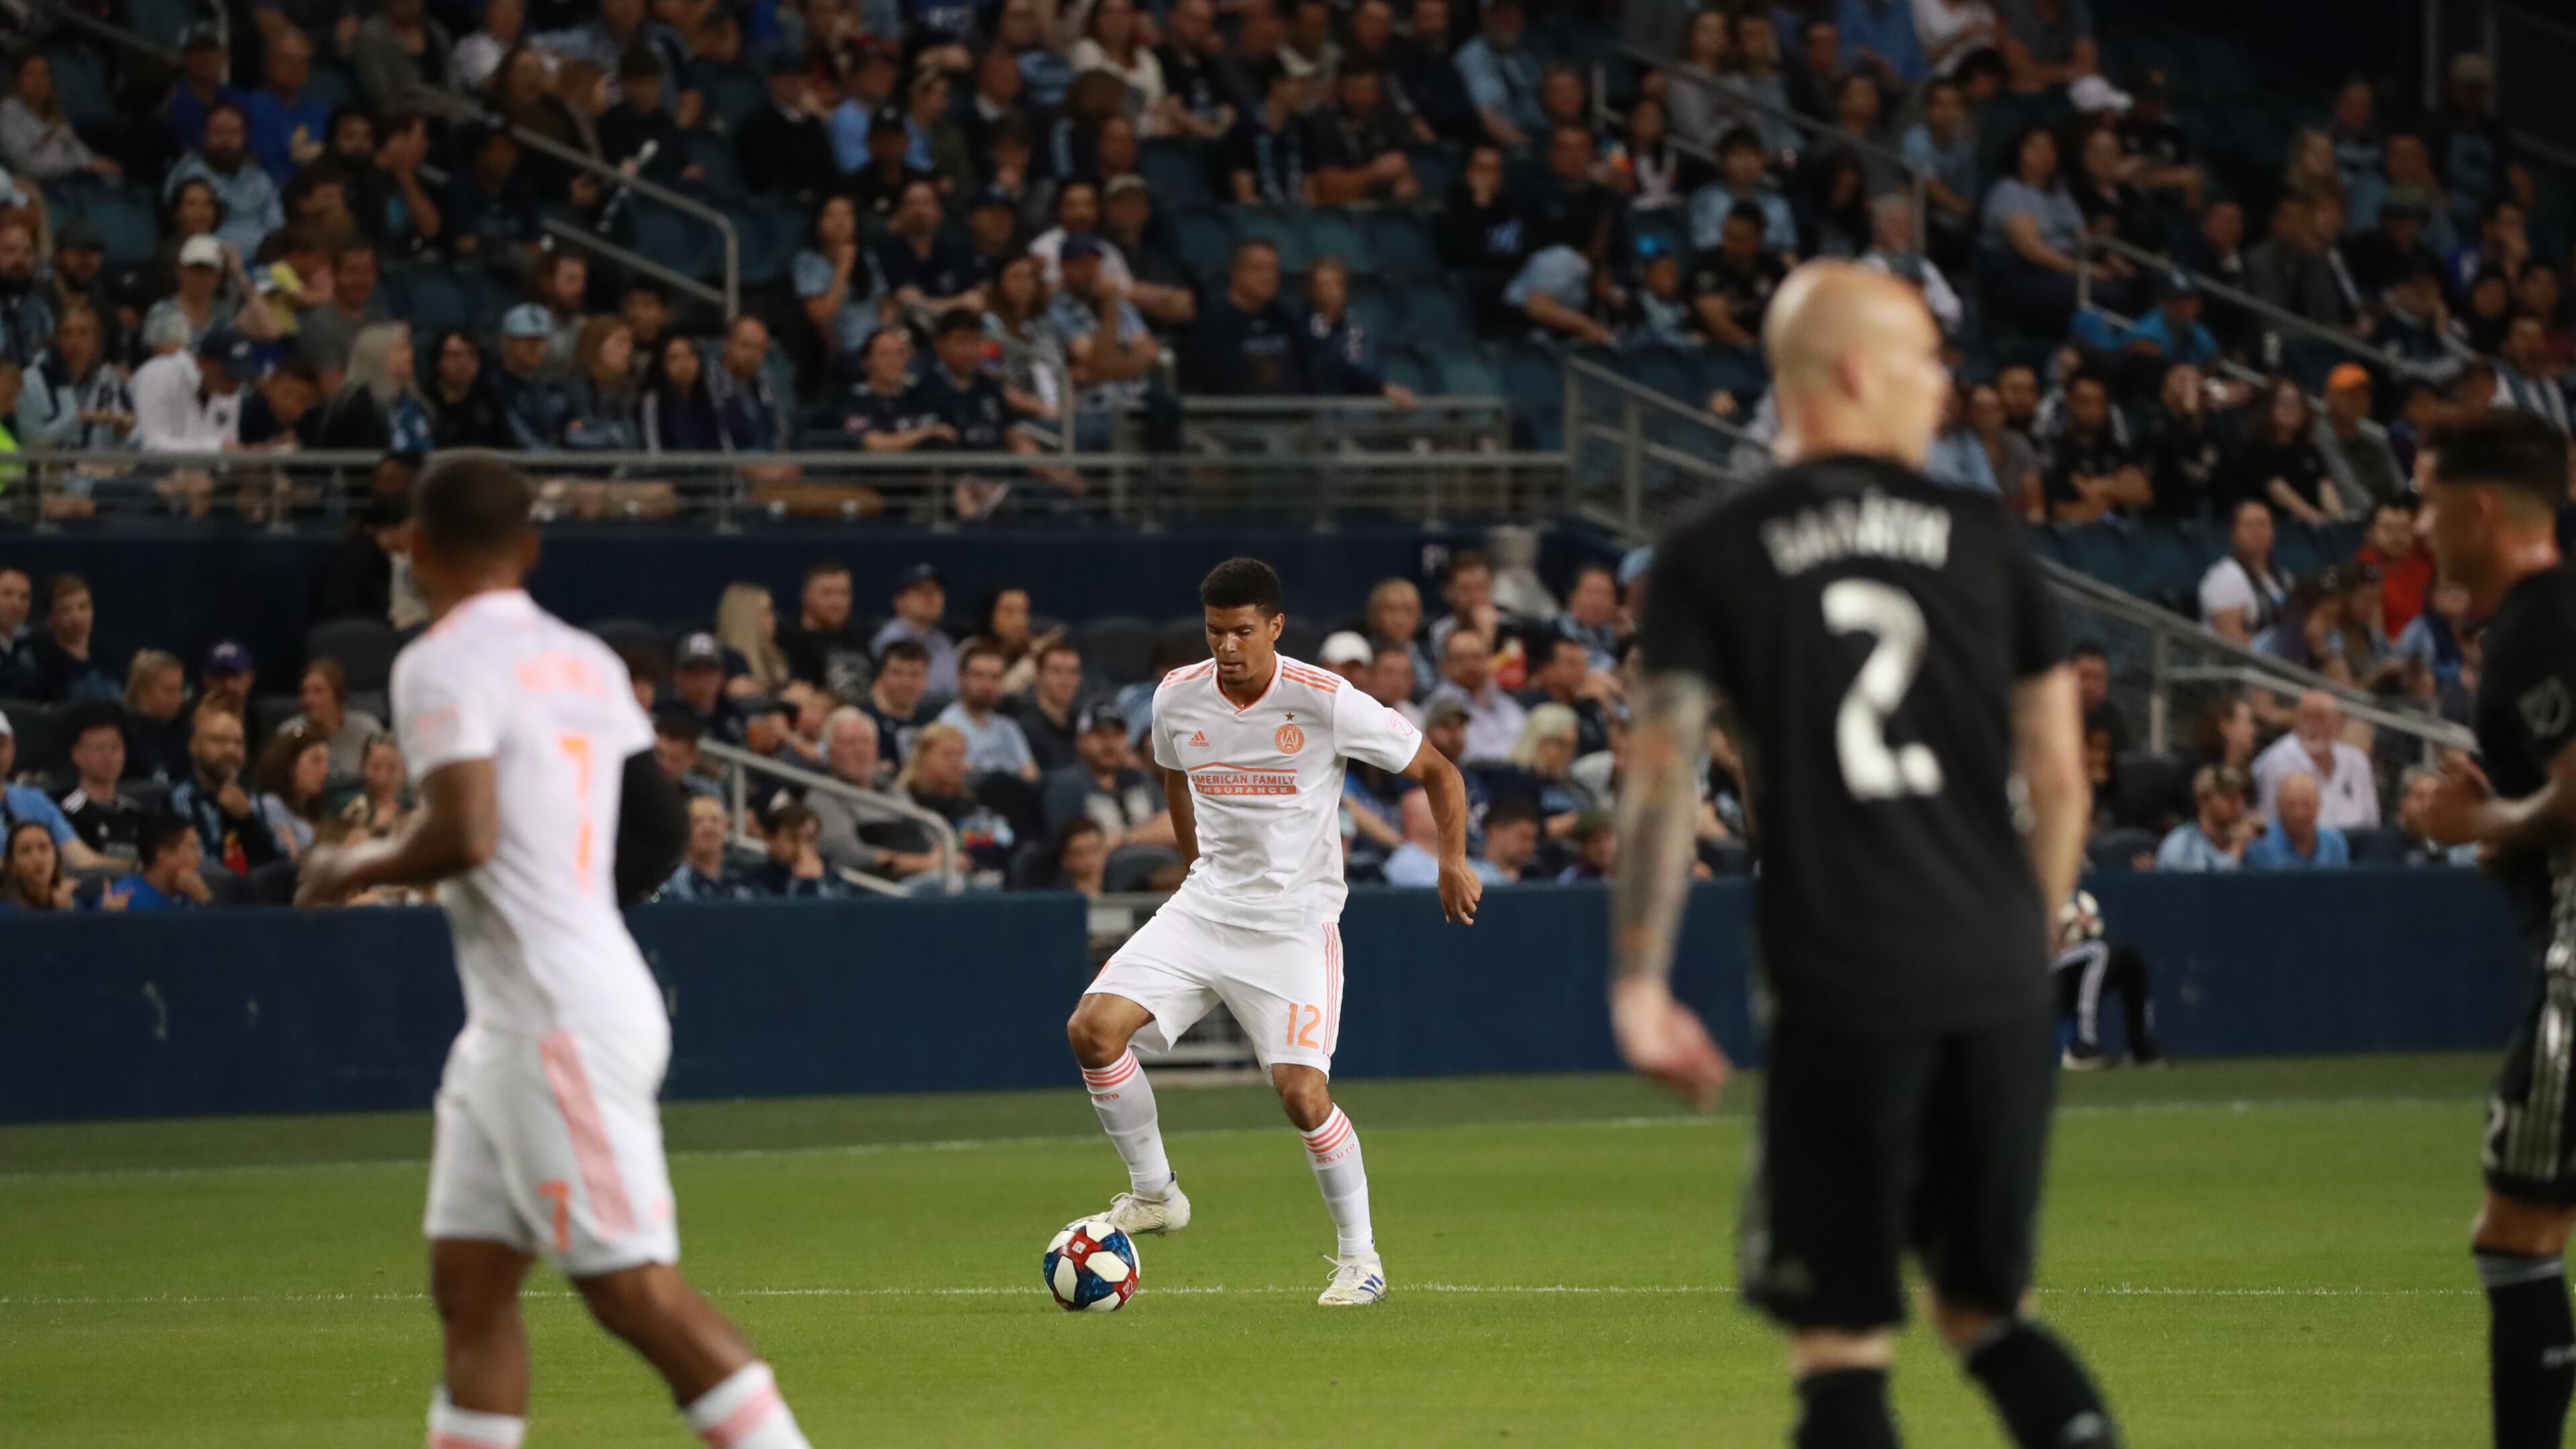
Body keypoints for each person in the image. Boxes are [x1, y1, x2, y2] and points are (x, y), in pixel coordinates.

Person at [1610, 262, 2121, 1448]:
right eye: (1924, 362)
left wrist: (1639, 986)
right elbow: (2059, 777)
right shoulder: (1986, 537)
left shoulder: (1713, 549)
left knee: (1841, 1346)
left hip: (1843, 973)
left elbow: (1661, 775)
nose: (1945, 389)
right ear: (1850, 370)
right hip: (1995, 974)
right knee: (1988, 1313)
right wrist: (2025, 938)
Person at [292, 454, 815, 1449]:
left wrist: (349, 863)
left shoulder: (435, 661)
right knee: (470, 1287)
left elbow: (466, 831)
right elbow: (658, 826)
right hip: (525, 1017)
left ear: (416, 547)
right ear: (530, 548)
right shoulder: (588, 660)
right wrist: (572, 909)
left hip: (556, 1020)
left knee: (634, 1294)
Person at [1064, 557, 1477, 1308]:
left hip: (1293, 925)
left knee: (1302, 1096)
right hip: (1205, 908)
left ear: (1276, 627)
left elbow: (1439, 771)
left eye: (1242, 631)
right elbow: (1175, 776)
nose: (1227, 646)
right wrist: (1195, 866)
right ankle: (1155, 1193)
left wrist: (1452, 860)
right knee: (1092, 1031)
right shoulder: (1177, 695)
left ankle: (1361, 1260)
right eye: (1215, 632)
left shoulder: (1325, 700)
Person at [2049, 894, 2163, 1069]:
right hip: (2043, 973)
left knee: (2129, 958)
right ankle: (2084, 1043)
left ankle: (2140, 1046)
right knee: (2099, 951)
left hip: (2069, 974)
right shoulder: (2045, 906)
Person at [2251, 688, 2381, 830]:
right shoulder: (2275, 761)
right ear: (2296, 719)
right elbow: (2267, 820)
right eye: (2307, 717)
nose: (2314, 726)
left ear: (2338, 723)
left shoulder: (2357, 760)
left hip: (2356, 839)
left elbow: (2372, 819)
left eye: (2322, 718)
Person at [54, 704, 148, 867]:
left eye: (115, 748)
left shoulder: (138, 814)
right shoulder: (65, 812)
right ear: (77, 755)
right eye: (98, 749)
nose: (108, 757)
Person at [936, 641, 1040, 782]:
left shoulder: (1009, 726)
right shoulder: (948, 727)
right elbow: (962, 779)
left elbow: (1031, 775)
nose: (987, 686)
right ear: (962, 678)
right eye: (978, 676)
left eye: (995, 677)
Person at [2198, 500, 2290, 645]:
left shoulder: (2283, 577)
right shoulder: (2224, 579)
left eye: (2263, 524)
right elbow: (2233, 644)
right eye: (2249, 525)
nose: (2257, 533)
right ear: (2233, 533)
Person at [289, 658, 388, 777]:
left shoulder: (367, 730)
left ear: (338, 695)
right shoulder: (291, 734)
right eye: (304, 692)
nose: (309, 700)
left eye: (318, 691)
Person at [872, 565, 960, 697]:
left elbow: (954, 688)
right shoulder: (889, 641)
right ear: (899, 601)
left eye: (936, 591)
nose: (930, 597)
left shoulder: (943, 641)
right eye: (920, 591)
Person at [2155, 763, 2254, 871]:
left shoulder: (2250, 842)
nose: (2237, 803)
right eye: (2228, 795)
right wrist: (2235, 853)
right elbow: (2206, 882)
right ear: (2203, 800)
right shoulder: (2183, 843)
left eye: (2240, 796)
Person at [2246, 771, 2351, 869]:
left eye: (2307, 805)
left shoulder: (2334, 844)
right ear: (2279, 806)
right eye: (2291, 805)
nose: (2299, 813)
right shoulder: (2258, 842)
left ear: (2318, 806)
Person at [111, 813, 213, 910]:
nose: (199, 857)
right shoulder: (123, 899)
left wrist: (205, 901)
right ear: (164, 856)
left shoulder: (194, 894)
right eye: (192, 848)